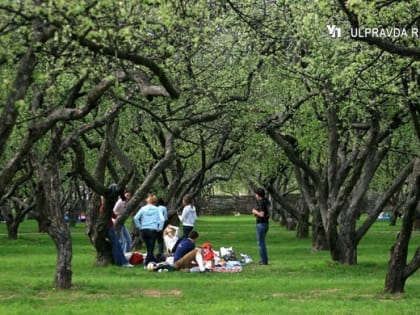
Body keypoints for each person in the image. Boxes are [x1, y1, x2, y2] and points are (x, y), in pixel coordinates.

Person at [100, 196, 133, 268]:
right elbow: (114, 216)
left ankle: (119, 261)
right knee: (117, 244)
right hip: (109, 227)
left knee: (117, 243)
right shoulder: (106, 208)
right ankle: (122, 262)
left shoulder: (101, 208)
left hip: (105, 228)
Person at [133, 194, 164, 267]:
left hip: (144, 230)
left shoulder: (143, 209)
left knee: (148, 247)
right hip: (152, 230)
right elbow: (162, 219)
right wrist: (159, 228)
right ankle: (147, 263)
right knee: (151, 248)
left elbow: (135, 218)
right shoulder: (157, 209)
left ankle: (151, 259)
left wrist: (139, 226)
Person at [251, 187, 270, 265]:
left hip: (261, 224)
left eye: (256, 194)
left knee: (261, 243)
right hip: (265, 224)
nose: (255, 195)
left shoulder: (262, 202)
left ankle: (264, 261)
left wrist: (255, 211)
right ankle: (263, 260)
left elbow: (262, 214)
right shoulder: (265, 202)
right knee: (261, 242)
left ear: (259, 195)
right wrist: (256, 214)